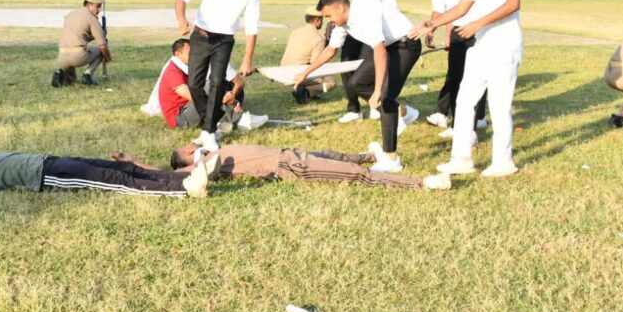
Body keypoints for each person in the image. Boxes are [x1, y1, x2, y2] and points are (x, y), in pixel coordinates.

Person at [410, 0, 523, 178]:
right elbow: (462, 7)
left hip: (504, 45)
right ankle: (461, 159)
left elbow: (513, 3)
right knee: (464, 99)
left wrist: (478, 23)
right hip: (480, 45)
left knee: (499, 105)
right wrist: (432, 24)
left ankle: (503, 162)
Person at [0, 138, 219, 215]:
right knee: (113, 180)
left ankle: (183, 177)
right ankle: (185, 190)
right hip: (48, 175)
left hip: (50, 161)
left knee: (118, 168)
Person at [294, 0, 421, 174]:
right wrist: (306, 72)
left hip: (405, 44)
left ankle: (392, 159)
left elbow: (380, 52)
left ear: (340, 8)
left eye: (329, 15)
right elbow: (330, 50)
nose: (329, 20)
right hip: (388, 46)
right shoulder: (342, 24)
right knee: (356, 83)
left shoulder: (364, 14)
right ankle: (403, 112)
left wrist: (377, 91)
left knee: (384, 98)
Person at [175, 0, 261, 152]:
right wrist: (182, 21)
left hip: (224, 41)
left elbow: (252, 28)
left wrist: (247, 60)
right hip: (200, 36)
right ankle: (213, 125)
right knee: (194, 84)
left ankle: (208, 131)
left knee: (217, 83)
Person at [113, 142, 450, 191]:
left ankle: (369, 155)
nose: (193, 146)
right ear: (187, 157)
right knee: (355, 176)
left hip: (289, 153)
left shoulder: (215, 149)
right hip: (288, 166)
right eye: (188, 150)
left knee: (331, 155)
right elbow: (164, 176)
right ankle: (422, 183)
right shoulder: (200, 167)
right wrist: (133, 163)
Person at [424, 0, 488, 138]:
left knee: (476, 77)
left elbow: (462, 8)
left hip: (477, 29)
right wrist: (432, 28)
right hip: (458, 30)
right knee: (455, 78)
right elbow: (439, 9)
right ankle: (458, 124)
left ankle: (475, 120)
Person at [335, 0, 402, 123]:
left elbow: (391, 7)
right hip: (353, 26)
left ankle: (375, 103)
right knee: (345, 64)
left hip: (373, 30)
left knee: (366, 67)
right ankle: (353, 108)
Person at [147, 39, 266, 131]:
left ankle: (224, 122)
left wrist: (228, 99)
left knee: (218, 84)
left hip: (189, 108)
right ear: (178, 54)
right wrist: (227, 101)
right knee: (210, 86)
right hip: (180, 118)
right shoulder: (172, 72)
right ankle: (240, 119)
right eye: (189, 53)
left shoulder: (186, 66)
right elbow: (194, 97)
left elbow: (238, 83)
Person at [52, 0, 112, 87]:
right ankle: (87, 75)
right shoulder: (92, 18)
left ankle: (59, 73)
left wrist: (97, 35)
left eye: (100, 7)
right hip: (77, 57)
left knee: (72, 80)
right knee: (101, 52)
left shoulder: (70, 15)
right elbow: (103, 46)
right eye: (98, 6)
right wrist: (108, 57)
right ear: (89, 5)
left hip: (62, 57)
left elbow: (80, 36)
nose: (99, 10)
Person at [280, 7, 336, 104]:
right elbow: (315, 63)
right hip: (298, 73)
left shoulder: (295, 32)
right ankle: (306, 92)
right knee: (330, 83)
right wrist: (327, 46)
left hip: (283, 70)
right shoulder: (319, 38)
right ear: (317, 20)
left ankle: (307, 90)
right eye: (321, 20)